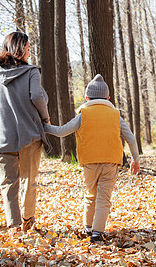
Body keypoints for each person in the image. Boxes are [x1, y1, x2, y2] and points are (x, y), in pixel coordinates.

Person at [44, 74, 140, 242]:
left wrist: (42, 126)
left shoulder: (83, 114)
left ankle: (88, 227)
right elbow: (131, 138)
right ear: (108, 97)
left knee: (90, 194)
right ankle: (97, 233)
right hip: (111, 162)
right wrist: (135, 160)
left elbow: (61, 131)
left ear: (87, 97)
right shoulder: (115, 115)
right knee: (104, 198)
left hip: (89, 162)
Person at [0, 32, 51, 233]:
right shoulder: (31, 72)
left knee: (8, 184)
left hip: (1, 137)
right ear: (19, 49)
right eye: (28, 48)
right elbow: (37, 97)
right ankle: (27, 220)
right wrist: (45, 118)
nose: (30, 52)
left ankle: (14, 226)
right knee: (29, 181)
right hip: (28, 136)